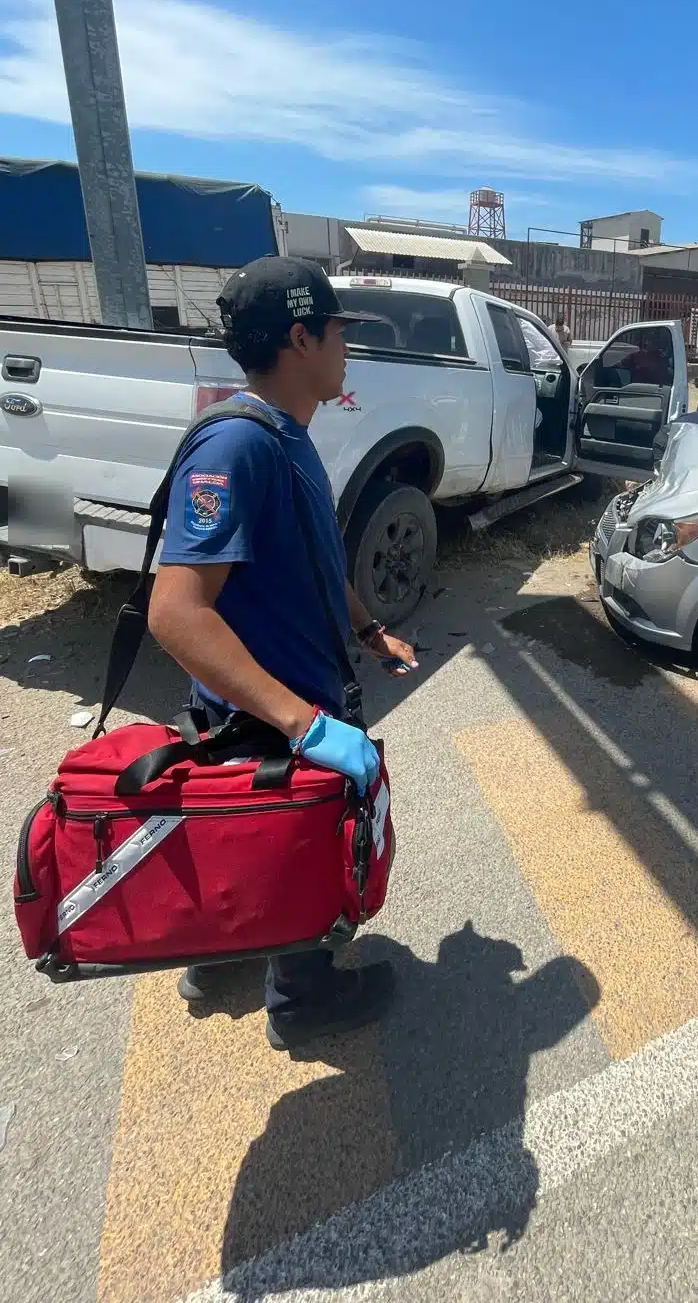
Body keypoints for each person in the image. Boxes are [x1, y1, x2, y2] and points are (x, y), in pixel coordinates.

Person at [147, 255, 419, 1051]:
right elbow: (177, 612)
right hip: (271, 712)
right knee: (295, 853)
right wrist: (302, 723)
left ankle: (217, 962)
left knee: (246, 847)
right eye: (338, 332)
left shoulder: (286, 436)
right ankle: (302, 1001)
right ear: (301, 337)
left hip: (284, 703)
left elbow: (318, 554)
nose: (346, 350)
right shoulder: (240, 447)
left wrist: (368, 630)